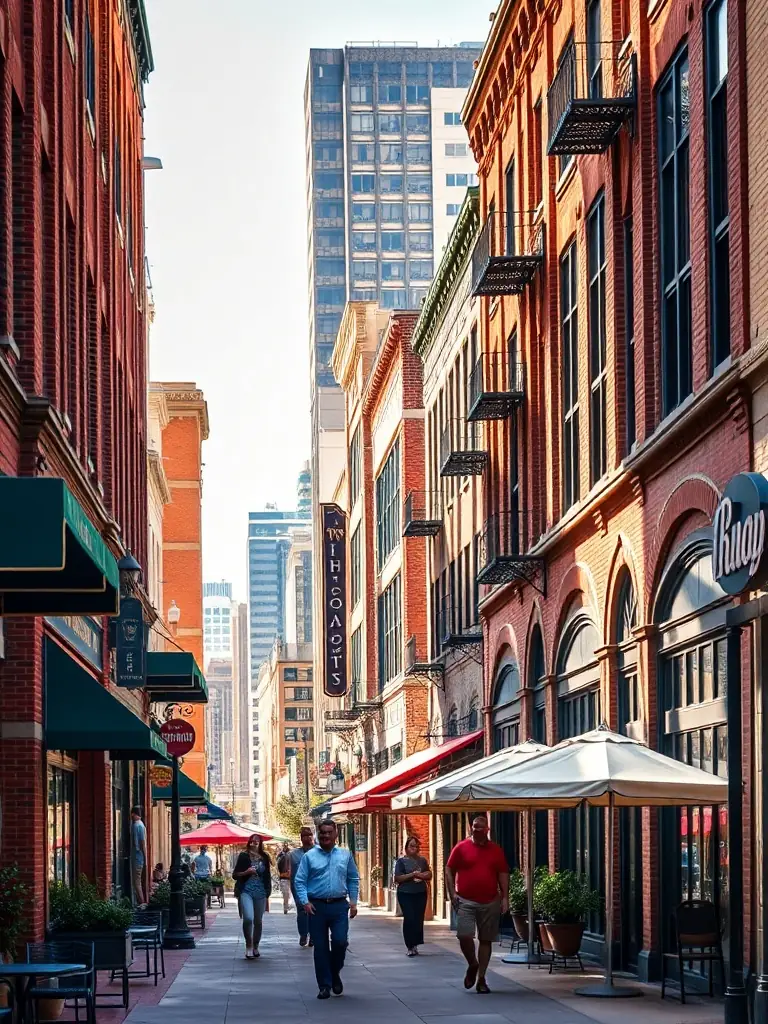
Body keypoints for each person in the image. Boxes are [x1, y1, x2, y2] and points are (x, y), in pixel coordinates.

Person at [294, 821, 359, 1000]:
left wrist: (353, 903)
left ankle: (334, 972)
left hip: (339, 906)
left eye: (329, 832)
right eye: (322, 833)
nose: (325, 836)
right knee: (320, 947)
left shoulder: (345, 856)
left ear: (336, 834)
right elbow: (299, 881)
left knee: (340, 942)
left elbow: (353, 878)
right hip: (316, 907)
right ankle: (324, 985)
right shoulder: (309, 857)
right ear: (318, 834)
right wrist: (305, 902)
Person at [445, 813, 509, 995]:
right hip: (465, 899)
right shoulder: (461, 847)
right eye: (474, 827)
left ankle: (481, 978)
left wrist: (505, 897)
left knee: (486, 939)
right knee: (464, 935)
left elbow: (503, 873)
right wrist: (452, 893)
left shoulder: (496, 850)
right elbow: (449, 869)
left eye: (480, 828)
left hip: (490, 900)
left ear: (487, 830)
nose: (476, 830)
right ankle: (473, 963)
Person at [233, 834, 272, 959]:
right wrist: (246, 872)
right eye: (252, 840)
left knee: (258, 921)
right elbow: (235, 875)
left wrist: (268, 892)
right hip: (246, 890)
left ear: (260, 843)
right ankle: (248, 944)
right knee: (248, 918)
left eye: (257, 841)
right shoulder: (244, 856)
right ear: (249, 842)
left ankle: (255, 946)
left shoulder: (265, 857)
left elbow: (267, 876)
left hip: (260, 892)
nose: (254, 843)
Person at [394, 836, 432, 956]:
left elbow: (429, 874)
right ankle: (409, 945)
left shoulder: (422, 861)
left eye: (416, 846)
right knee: (409, 917)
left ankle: (415, 944)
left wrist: (421, 875)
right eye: (411, 846)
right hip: (405, 893)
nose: (414, 849)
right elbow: (398, 878)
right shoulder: (401, 862)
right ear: (406, 848)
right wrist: (412, 875)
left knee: (418, 918)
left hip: (420, 892)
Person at [289, 826, 316, 947]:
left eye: (310, 835)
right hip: (299, 888)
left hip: (316, 887)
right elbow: (290, 872)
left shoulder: (319, 852)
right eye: (305, 836)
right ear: (301, 838)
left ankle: (313, 936)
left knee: (314, 912)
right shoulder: (294, 854)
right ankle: (303, 935)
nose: (308, 838)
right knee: (302, 911)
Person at [130, 806, 147, 906]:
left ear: (134, 814)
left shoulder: (137, 825)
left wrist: (145, 856)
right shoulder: (140, 825)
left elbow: (142, 842)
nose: (131, 816)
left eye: (132, 814)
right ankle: (140, 902)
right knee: (137, 881)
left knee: (137, 881)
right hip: (138, 857)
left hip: (137, 857)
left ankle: (141, 903)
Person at [276, 843, 292, 914]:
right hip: (285, 877)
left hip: (288, 877)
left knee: (287, 894)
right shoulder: (281, 855)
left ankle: (287, 906)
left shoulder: (291, 854)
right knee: (286, 894)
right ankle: (286, 907)